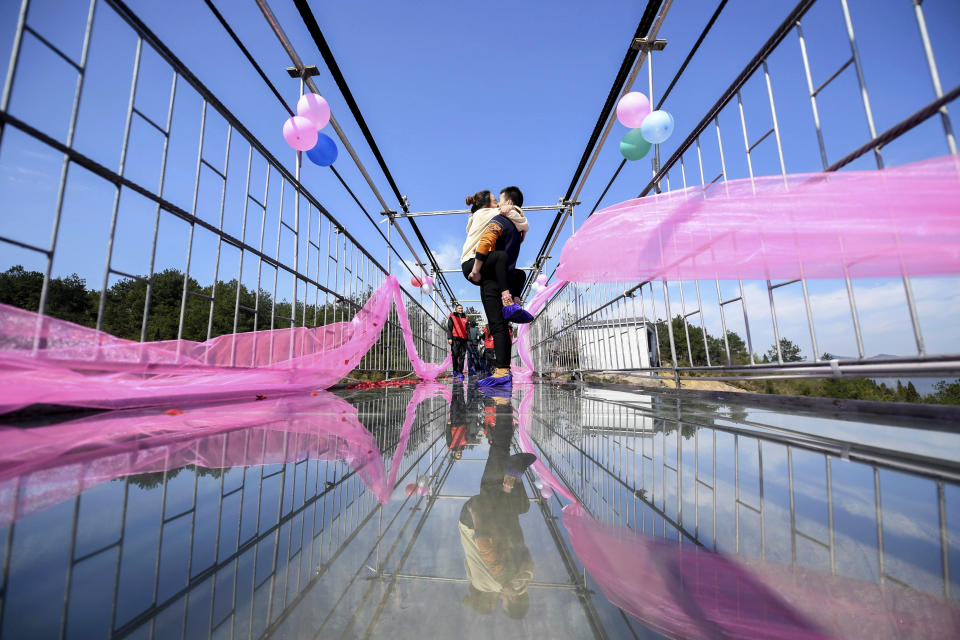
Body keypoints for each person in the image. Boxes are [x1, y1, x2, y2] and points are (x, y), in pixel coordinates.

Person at [458, 392, 536, 619]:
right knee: (500, 451)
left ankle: (512, 477)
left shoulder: (526, 574)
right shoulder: (502, 582)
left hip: (487, 517)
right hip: (477, 518)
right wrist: (478, 514)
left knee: (518, 505)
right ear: (511, 600)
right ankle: (502, 400)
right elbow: (486, 548)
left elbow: (511, 544)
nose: (501, 598)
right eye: (504, 603)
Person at [460, 187, 532, 388]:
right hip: (505, 276)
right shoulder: (518, 228)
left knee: (497, 326)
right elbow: (523, 226)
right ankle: (514, 302)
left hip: (491, 278)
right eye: (495, 201)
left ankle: (501, 373)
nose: (498, 204)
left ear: (508, 202)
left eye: (500, 201)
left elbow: (486, 241)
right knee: (504, 327)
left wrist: (476, 270)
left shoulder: (499, 219)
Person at [447, 304, 469, 381]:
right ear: (456, 309)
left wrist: (468, 340)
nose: (461, 310)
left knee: (462, 356)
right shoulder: (452, 317)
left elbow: (468, 330)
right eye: (459, 308)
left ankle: (460, 372)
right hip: (455, 339)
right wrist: (449, 338)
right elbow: (449, 327)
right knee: (455, 355)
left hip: (463, 340)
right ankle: (455, 370)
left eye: (462, 308)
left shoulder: (465, 318)